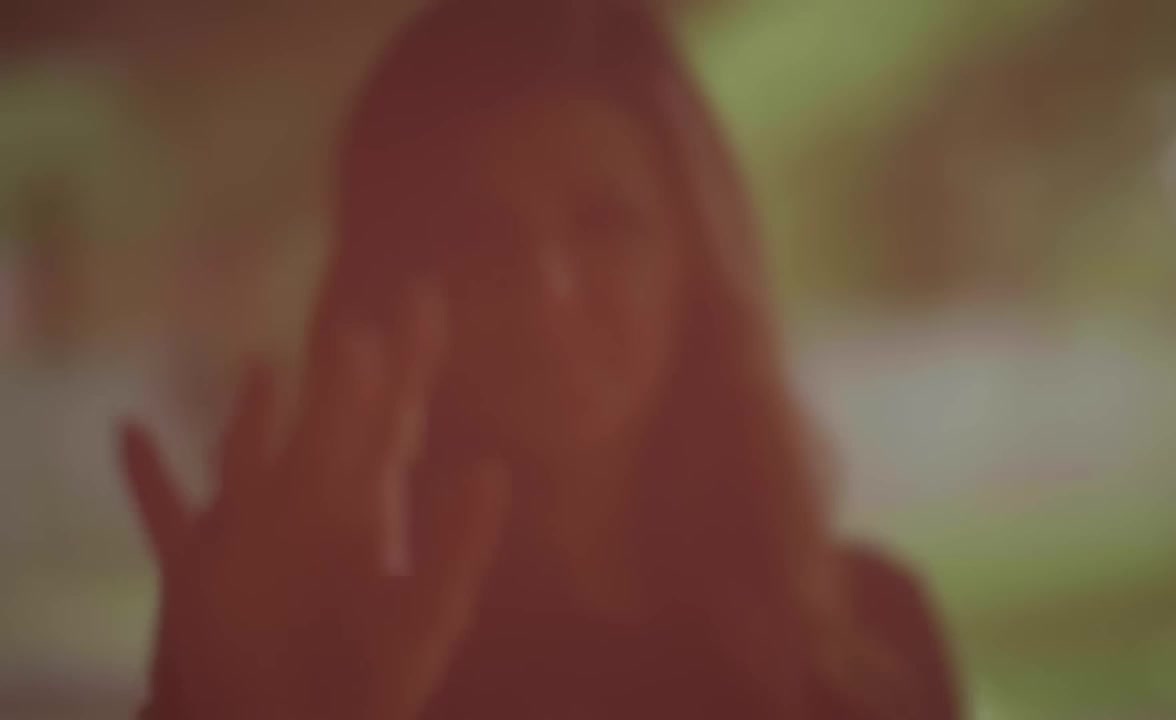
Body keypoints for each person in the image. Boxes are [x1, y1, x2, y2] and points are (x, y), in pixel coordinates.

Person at [119, 1, 961, 718]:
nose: (545, 291)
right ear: (391, 280)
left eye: (605, 222)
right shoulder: (291, 622)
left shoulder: (871, 639)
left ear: (697, 262)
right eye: (478, 233)